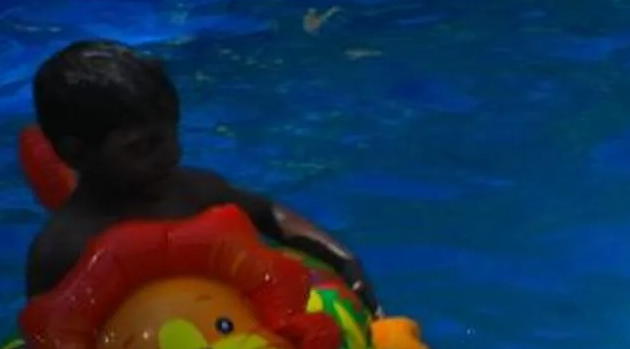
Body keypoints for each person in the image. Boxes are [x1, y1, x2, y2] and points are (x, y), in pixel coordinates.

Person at [23, 39, 381, 319]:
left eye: (172, 134)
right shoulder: (65, 250)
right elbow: (53, 343)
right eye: (142, 146)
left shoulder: (190, 192)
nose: (172, 154)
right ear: (77, 154)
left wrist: (345, 262)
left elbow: (269, 214)